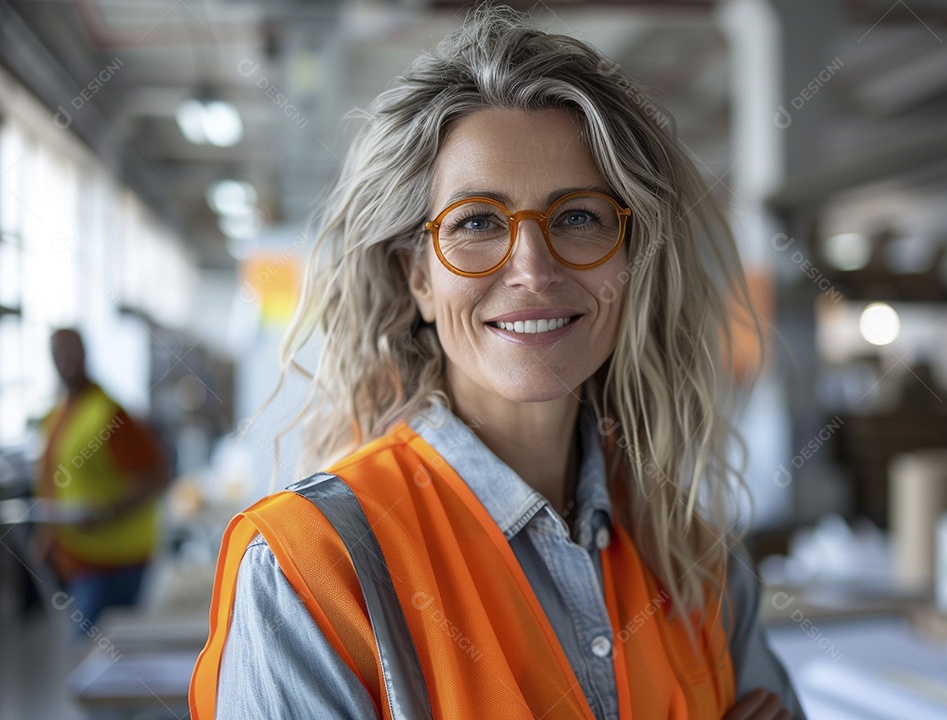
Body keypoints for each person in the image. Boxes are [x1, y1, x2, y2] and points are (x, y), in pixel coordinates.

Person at [190, 5, 804, 719]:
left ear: (631, 262)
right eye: (478, 222)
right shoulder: (311, 571)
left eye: (578, 216)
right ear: (417, 276)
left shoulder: (696, 561)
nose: (534, 270)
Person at [36, 328, 169, 627]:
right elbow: (55, 482)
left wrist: (106, 513)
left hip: (115, 562)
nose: (66, 360)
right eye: (59, 353)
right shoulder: (59, 415)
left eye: (73, 352)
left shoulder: (111, 415)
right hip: (79, 560)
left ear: (86, 353)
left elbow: (154, 478)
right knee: (88, 654)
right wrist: (48, 536)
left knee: (97, 655)